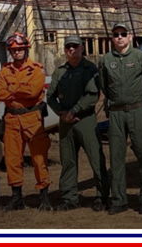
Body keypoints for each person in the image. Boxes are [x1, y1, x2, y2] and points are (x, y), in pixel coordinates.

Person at [98, 23, 142, 215]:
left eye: (123, 34)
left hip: (137, 111)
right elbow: (104, 86)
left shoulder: (141, 57)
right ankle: (119, 200)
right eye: (116, 35)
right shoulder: (106, 60)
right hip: (115, 113)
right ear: (112, 38)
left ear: (130, 36)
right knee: (116, 157)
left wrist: (140, 104)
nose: (120, 37)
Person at [47, 35, 109, 212]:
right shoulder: (60, 71)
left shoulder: (90, 69)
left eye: (75, 46)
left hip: (85, 119)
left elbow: (92, 96)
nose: (71, 49)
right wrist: (61, 112)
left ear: (82, 48)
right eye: (68, 47)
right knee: (68, 161)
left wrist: (74, 111)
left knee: (96, 159)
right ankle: (69, 198)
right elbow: (50, 95)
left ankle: (102, 196)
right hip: (65, 122)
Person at [0, 32, 51, 211]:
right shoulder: (5, 70)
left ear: (26, 49)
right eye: (13, 50)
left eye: (19, 49)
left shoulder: (36, 68)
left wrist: (12, 90)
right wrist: (21, 89)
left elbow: (33, 92)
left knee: (39, 158)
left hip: (32, 118)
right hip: (11, 119)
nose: (17, 52)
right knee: (12, 159)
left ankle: (44, 197)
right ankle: (16, 198)